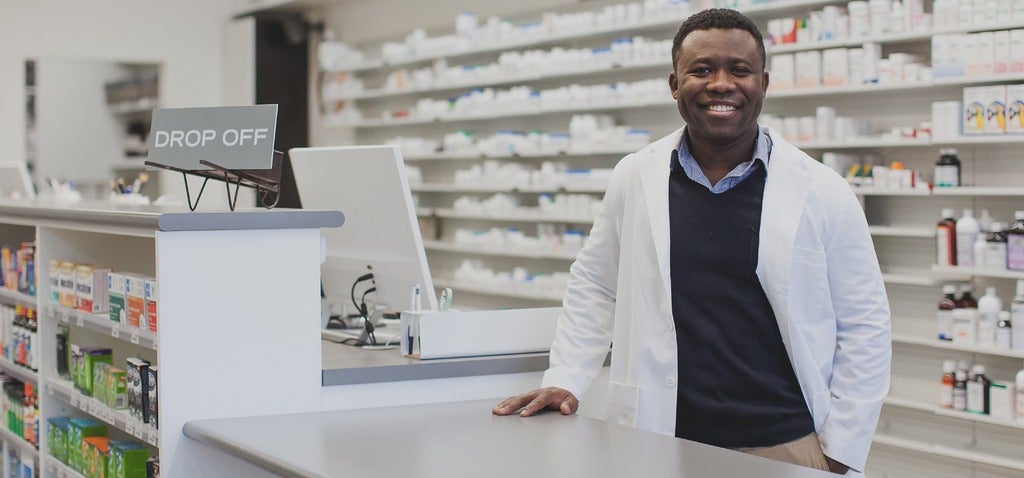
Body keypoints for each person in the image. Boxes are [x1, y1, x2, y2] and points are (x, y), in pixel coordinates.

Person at [492, 8, 891, 477]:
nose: (721, 83)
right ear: (674, 84)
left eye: (739, 70)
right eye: (701, 70)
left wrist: (840, 448)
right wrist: (566, 379)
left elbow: (865, 323)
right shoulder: (636, 175)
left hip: (782, 443)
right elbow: (596, 286)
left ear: (763, 82)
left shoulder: (824, 189)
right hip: (661, 438)